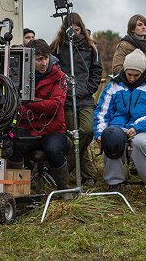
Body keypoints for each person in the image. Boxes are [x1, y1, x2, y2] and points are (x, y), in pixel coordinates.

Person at [94, 49, 146, 193]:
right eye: (128, 74)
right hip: (117, 127)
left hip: (145, 128)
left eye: (136, 75)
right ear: (124, 70)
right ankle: (114, 182)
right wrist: (100, 133)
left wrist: (137, 128)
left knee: (140, 142)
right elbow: (102, 111)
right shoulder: (113, 85)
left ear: (143, 72)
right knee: (111, 138)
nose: (131, 78)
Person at [8, 39, 72, 194]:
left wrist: (28, 103)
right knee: (11, 145)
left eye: (46, 58)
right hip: (27, 128)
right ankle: (16, 191)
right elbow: (13, 108)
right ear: (29, 60)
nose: (44, 63)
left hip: (53, 131)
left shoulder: (60, 77)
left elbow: (54, 107)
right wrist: (39, 106)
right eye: (39, 59)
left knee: (53, 149)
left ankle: (64, 192)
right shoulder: (17, 78)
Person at [50, 13, 103, 186]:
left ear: (81, 28)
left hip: (85, 98)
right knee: (73, 137)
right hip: (66, 98)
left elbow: (96, 70)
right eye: (71, 29)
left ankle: (65, 168)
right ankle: (88, 176)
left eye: (77, 29)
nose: (75, 32)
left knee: (87, 130)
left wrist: (90, 88)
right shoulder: (57, 47)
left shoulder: (91, 47)